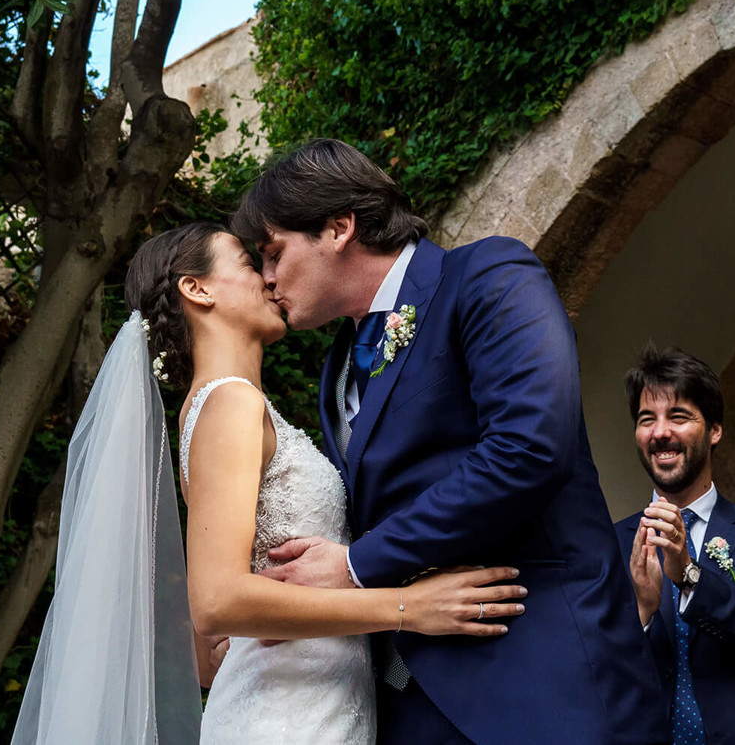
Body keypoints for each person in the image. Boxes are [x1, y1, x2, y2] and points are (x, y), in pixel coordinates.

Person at [236, 139, 668, 745]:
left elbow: (528, 448)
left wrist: (357, 567)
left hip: (544, 684)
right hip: (404, 703)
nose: (267, 277)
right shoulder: (335, 367)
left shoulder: (489, 275)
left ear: (338, 227)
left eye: (274, 251)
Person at [130, 221, 528, 745]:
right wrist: (412, 609)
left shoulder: (210, 409)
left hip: (313, 702)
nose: (270, 279)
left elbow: (209, 653)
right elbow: (215, 602)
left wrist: (246, 623)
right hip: (288, 718)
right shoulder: (228, 403)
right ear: (196, 289)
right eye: (251, 265)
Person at [616, 345, 735, 745]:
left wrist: (690, 576)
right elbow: (591, 670)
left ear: (715, 430)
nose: (660, 432)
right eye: (646, 419)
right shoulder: (609, 543)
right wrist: (641, 613)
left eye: (679, 417)